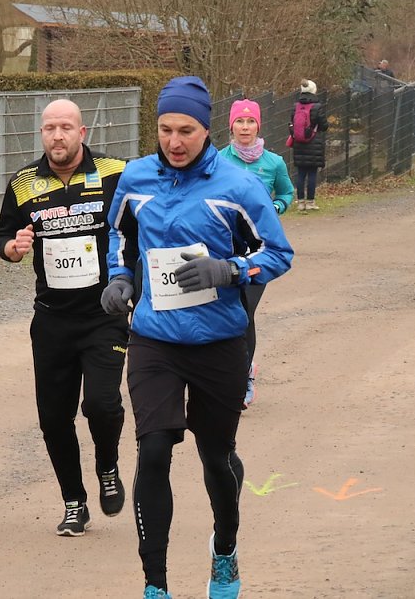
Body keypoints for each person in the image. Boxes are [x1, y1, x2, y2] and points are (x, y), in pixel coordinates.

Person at [101, 76, 293, 599]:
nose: (175, 141)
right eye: (165, 129)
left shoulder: (238, 186)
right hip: (155, 340)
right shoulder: (136, 177)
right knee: (153, 450)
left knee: (216, 455)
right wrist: (120, 278)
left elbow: (279, 253)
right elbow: (117, 235)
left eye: (186, 130)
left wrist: (230, 270)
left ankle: (224, 550)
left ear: (207, 130)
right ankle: (155, 585)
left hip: (219, 342)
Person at [0, 98, 128, 537]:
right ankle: (74, 502)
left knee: (102, 405)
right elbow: (4, 236)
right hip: (52, 319)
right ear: (42, 134)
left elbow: (139, 224)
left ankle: (107, 465)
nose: (57, 135)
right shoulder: (23, 183)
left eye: (65, 127)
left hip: (104, 314)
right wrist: (12, 248)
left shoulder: (114, 172)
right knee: (54, 419)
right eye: (49, 128)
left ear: (81, 132)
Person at [217, 99, 293, 408]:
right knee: (223, 310)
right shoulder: (218, 160)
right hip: (224, 247)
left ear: (258, 126)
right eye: (240, 122)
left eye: (250, 122)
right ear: (231, 126)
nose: (245, 127)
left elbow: (286, 192)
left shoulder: (274, 163)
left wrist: (276, 206)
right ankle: (222, 373)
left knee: (244, 311)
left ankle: (244, 375)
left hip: (259, 249)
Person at [289, 79, 328, 211]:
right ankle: (310, 202)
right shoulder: (317, 107)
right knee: (312, 174)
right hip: (314, 143)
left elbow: (292, 123)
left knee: (300, 174)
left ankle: (300, 202)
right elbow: (324, 125)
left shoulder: (296, 106)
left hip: (299, 143)